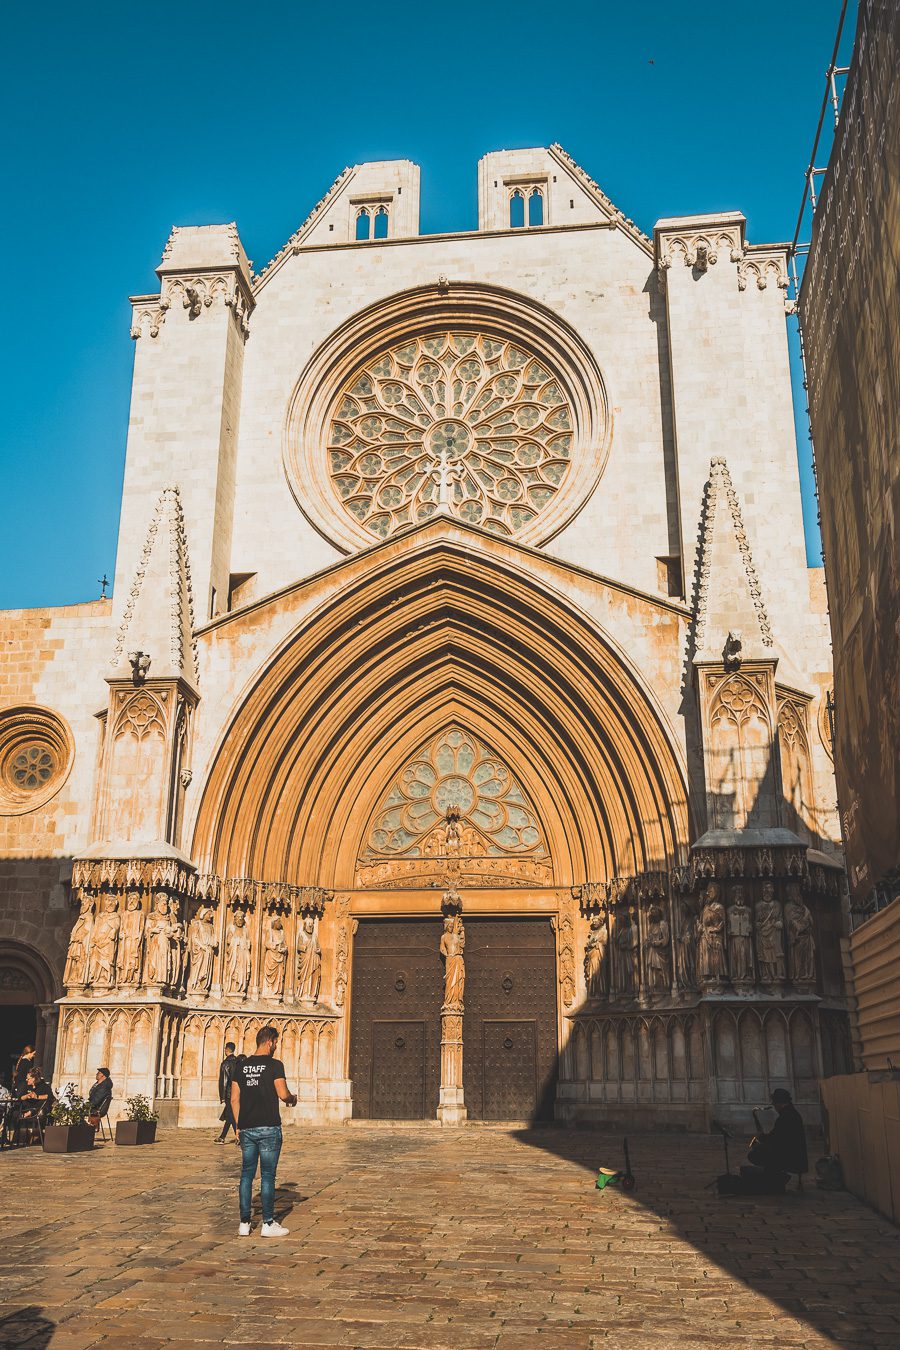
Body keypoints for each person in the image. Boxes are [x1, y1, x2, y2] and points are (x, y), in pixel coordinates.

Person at [230, 1026, 297, 1237]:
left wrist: (238, 1126)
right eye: (276, 1042)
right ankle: (268, 1223)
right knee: (267, 1176)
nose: (276, 1046)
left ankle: (244, 1223)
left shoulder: (240, 1066)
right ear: (269, 1042)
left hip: (247, 1128)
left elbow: (234, 1099)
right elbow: (282, 1093)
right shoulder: (275, 1065)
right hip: (268, 1127)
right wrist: (292, 1099)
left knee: (246, 1175)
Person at [721, 1088, 809, 1196]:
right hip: (792, 1152)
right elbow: (779, 1137)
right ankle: (772, 1176)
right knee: (760, 1150)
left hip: (789, 1155)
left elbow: (776, 1139)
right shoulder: (791, 1113)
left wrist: (761, 1137)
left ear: (780, 1103)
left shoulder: (786, 1117)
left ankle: (773, 1177)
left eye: (775, 1103)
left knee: (755, 1154)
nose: (774, 1107)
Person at [215, 1042, 240, 1143]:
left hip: (229, 1094)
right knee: (230, 1115)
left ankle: (239, 1137)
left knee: (231, 1115)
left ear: (226, 1049)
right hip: (238, 1092)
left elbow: (224, 1081)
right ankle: (222, 1137)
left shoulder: (225, 1064)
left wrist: (222, 1096)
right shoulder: (238, 1062)